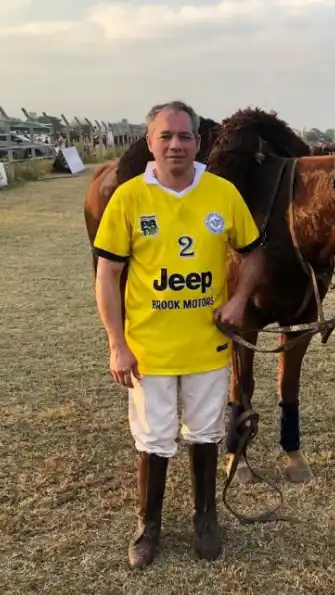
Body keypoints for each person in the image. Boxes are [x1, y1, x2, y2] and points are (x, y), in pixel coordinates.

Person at [93, 100, 265, 569]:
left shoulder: (222, 193)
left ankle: (205, 518)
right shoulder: (129, 197)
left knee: (206, 433)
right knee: (154, 438)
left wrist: (238, 300)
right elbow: (107, 275)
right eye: (165, 136)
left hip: (207, 346)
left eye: (184, 136)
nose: (175, 144)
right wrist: (117, 344)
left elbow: (253, 254)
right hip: (149, 349)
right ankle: (148, 525)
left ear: (199, 142)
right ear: (150, 143)